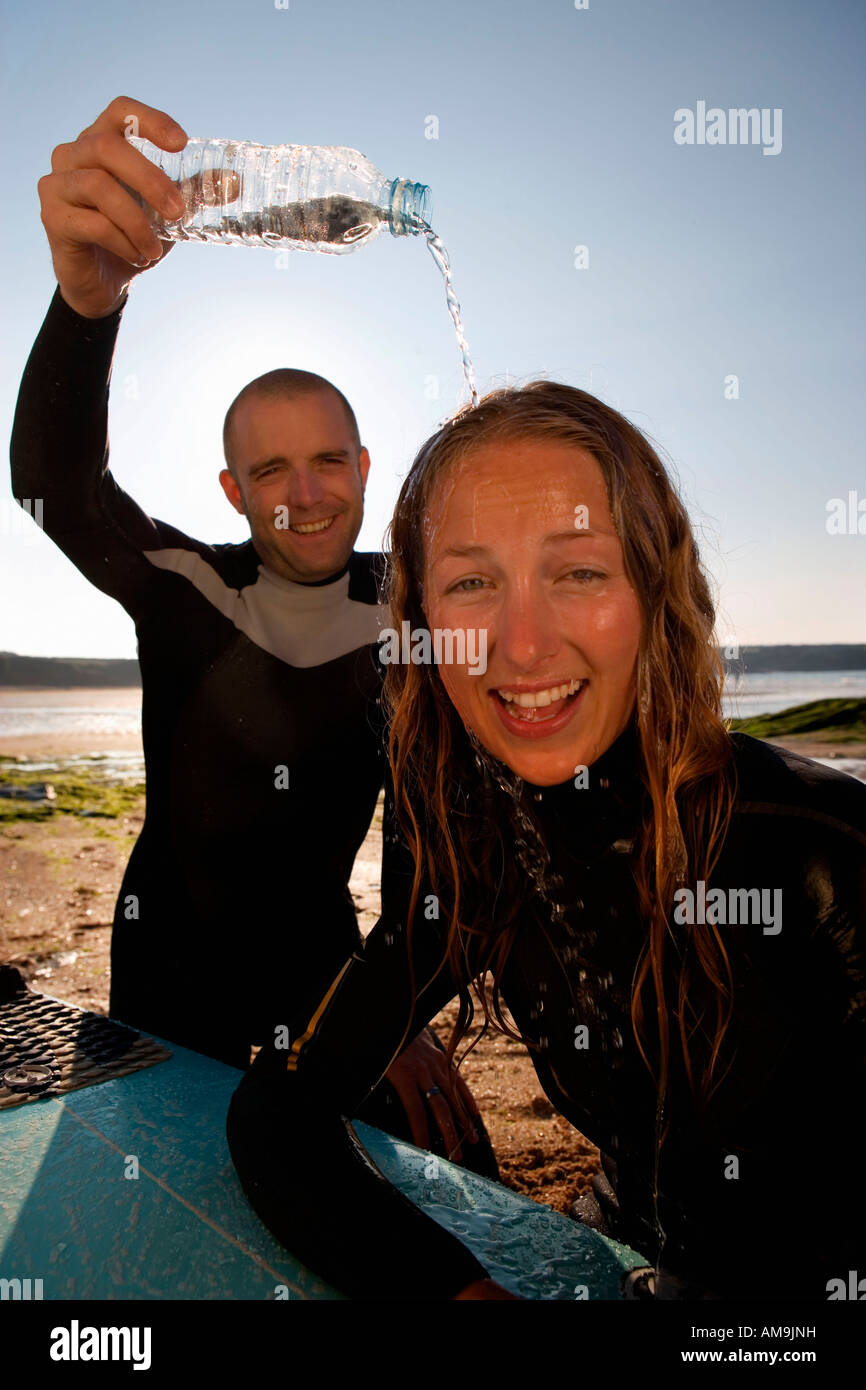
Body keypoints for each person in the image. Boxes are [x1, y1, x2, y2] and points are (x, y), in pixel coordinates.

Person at [227, 380, 866, 1301]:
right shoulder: (484, 850)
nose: (521, 647)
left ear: (655, 586)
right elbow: (280, 1110)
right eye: (473, 582)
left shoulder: (819, 855)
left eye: (577, 572)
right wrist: (454, 1292)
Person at [9, 95, 497, 1174]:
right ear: (233, 489)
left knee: (450, 1181)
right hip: (167, 986)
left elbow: (428, 837)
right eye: (270, 470)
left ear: (366, 469)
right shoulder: (185, 586)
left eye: (328, 461)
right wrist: (87, 305)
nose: (305, 494)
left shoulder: (409, 615)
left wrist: (396, 999)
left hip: (330, 977)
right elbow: (55, 488)